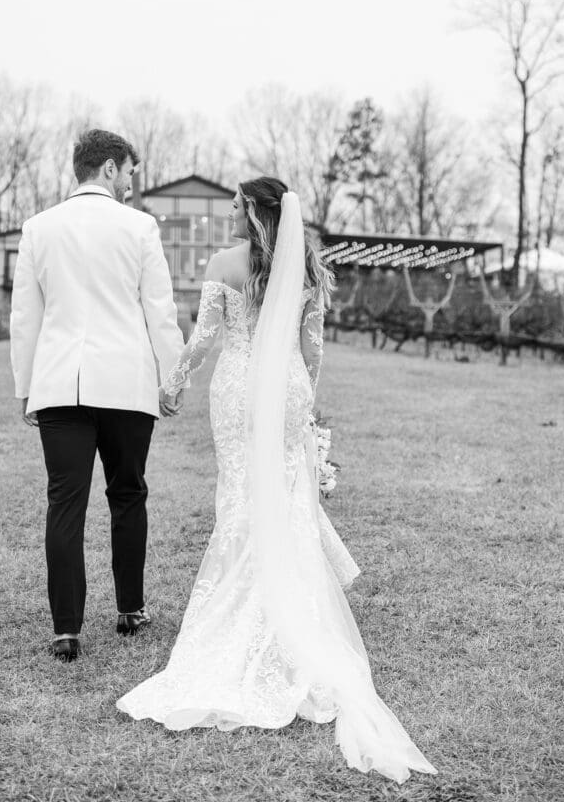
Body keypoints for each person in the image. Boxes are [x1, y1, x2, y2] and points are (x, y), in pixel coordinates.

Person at [117, 177, 437, 784]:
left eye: (237, 204)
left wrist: (175, 381)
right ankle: (292, 608)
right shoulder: (307, 267)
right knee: (287, 499)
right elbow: (311, 350)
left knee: (240, 495)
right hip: (287, 388)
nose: (230, 212)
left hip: (238, 389)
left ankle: (247, 606)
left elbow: (206, 338)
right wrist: (305, 408)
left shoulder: (223, 264)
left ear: (256, 211)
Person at [10, 129, 185, 662]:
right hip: (127, 384)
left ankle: (66, 629)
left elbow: (26, 316)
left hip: (61, 383)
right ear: (109, 169)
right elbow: (160, 309)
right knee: (128, 494)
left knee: (65, 501)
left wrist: (25, 386)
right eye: (129, 171)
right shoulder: (139, 227)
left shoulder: (39, 228)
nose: (131, 181)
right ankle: (130, 609)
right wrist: (172, 376)